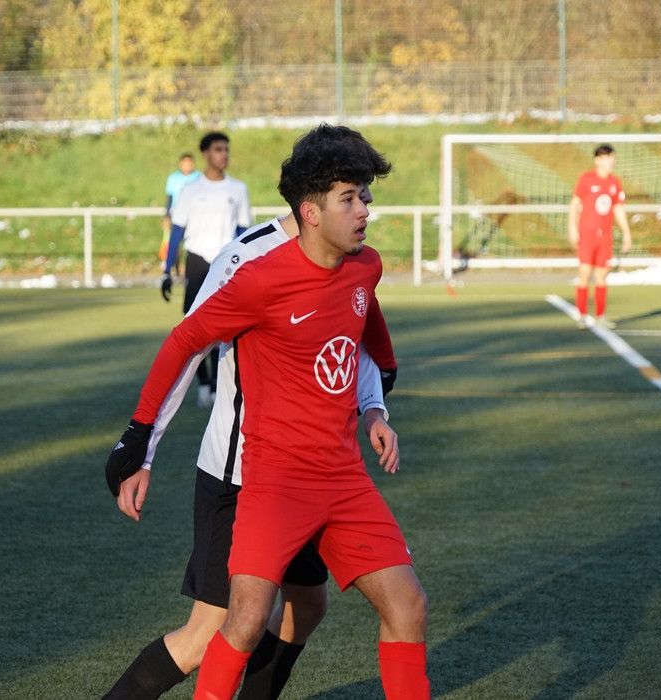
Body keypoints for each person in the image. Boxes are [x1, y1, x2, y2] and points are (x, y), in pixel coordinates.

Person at [106, 124, 429, 699]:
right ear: (311, 210)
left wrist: (375, 402)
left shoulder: (360, 262)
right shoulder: (249, 268)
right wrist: (140, 445)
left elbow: (360, 322)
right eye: (350, 197)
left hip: (335, 472)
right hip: (246, 472)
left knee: (312, 605)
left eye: (365, 195)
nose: (365, 210)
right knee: (221, 628)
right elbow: (187, 343)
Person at [161, 132, 252, 408]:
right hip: (197, 261)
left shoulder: (238, 189)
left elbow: (243, 232)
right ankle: (202, 384)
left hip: (226, 264)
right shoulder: (190, 190)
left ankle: (215, 386)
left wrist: (248, 267)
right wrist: (167, 271)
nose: (224, 154)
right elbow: (177, 231)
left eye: (226, 149)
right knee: (193, 325)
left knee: (222, 328)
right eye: (218, 149)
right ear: (205, 154)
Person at [568, 143, 633, 329]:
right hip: (587, 234)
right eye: (607, 158)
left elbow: (618, 208)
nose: (611, 161)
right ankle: (582, 316)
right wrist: (572, 227)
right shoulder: (587, 179)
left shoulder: (615, 182)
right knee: (584, 273)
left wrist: (626, 232)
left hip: (605, 235)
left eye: (612, 157)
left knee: (602, 275)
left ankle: (601, 316)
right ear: (598, 160)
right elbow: (575, 203)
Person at [159, 152, 201, 267]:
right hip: (177, 215)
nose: (187, 166)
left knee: (193, 244)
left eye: (189, 163)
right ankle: (173, 269)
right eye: (185, 163)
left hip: (194, 216)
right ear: (180, 164)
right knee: (175, 243)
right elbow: (169, 198)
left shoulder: (199, 177)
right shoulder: (173, 178)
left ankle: (191, 268)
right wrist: (166, 217)